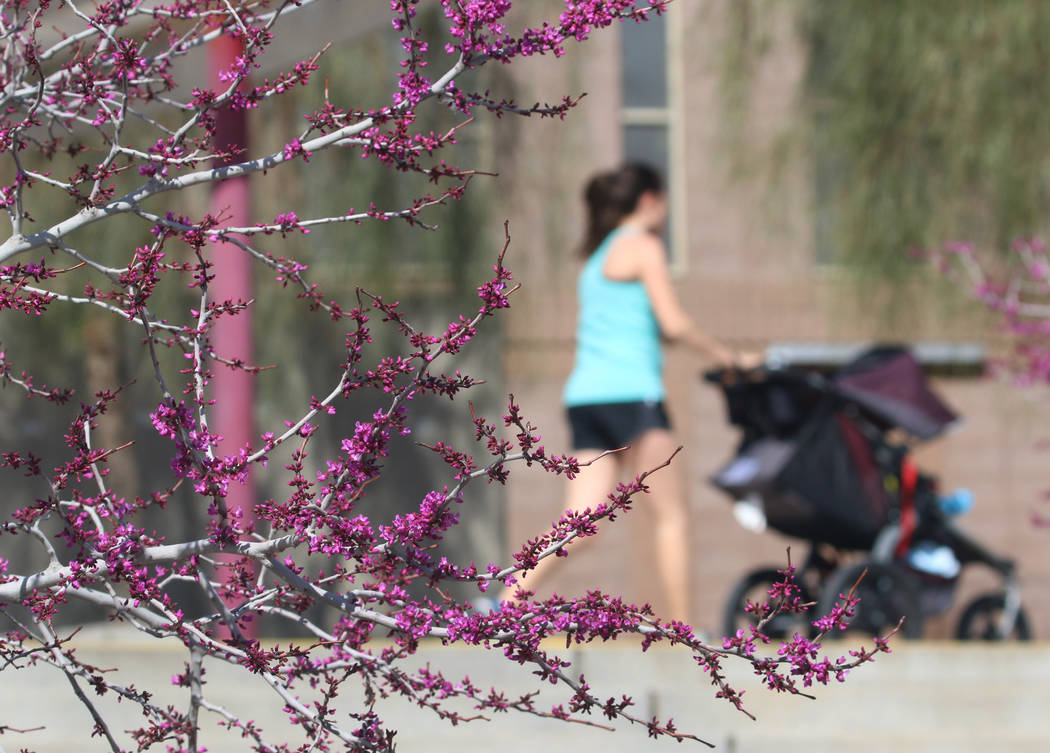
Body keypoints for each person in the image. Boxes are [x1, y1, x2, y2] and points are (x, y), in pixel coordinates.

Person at [501, 163, 757, 622]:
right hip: (633, 396)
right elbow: (673, 323)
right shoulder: (643, 247)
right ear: (650, 201)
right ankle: (683, 631)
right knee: (672, 517)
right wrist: (730, 358)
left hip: (585, 400)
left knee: (580, 523)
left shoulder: (596, 260)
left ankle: (507, 598)